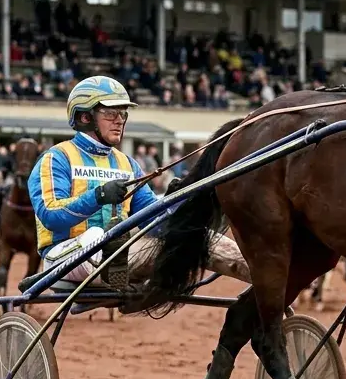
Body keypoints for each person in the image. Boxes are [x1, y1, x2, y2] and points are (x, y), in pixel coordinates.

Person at [30, 76, 248, 285]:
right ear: (85, 117)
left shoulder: (127, 164)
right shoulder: (56, 159)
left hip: (118, 252)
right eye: (110, 113)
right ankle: (113, 261)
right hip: (62, 259)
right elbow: (50, 216)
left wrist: (177, 202)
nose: (119, 120)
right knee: (96, 236)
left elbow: (151, 220)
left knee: (196, 236)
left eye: (123, 113)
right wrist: (98, 196)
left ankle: (266, 274)